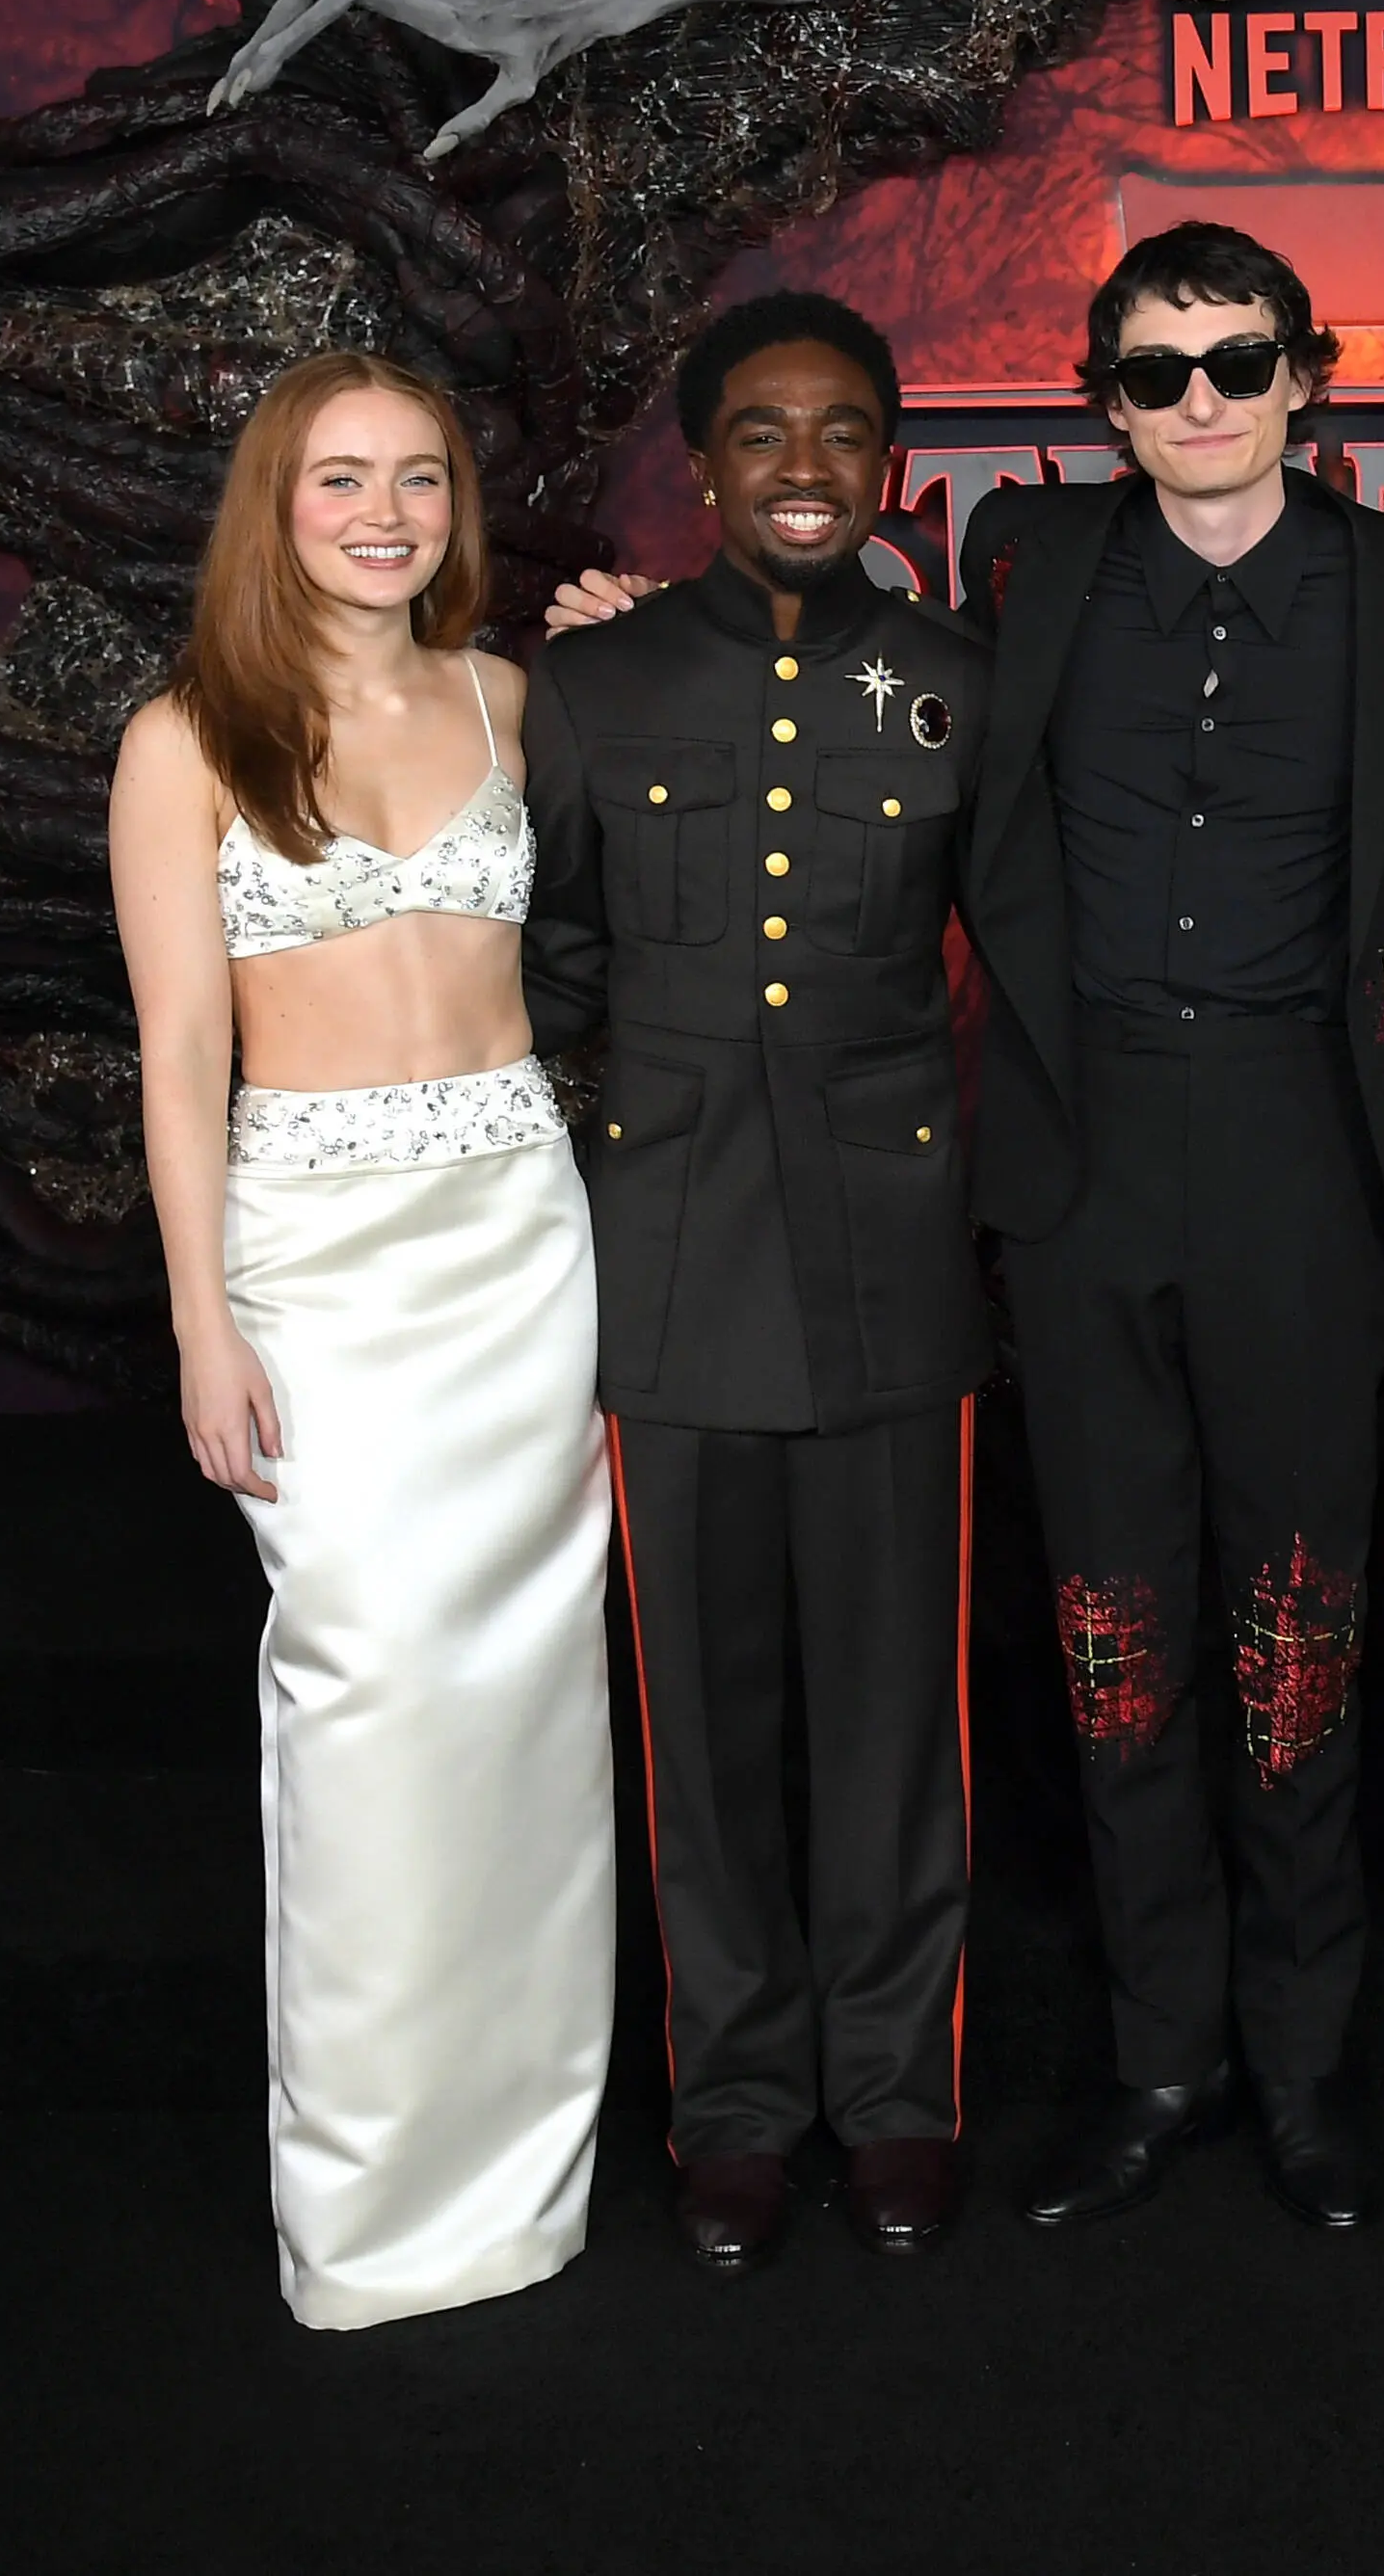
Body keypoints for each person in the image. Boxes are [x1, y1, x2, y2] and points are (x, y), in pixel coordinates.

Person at [950, 222, 1384, 2234]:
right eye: (1156, 374)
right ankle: (1156, 2060)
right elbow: (847, 671)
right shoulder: (1022, 563)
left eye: (1237, 362)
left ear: (1307, 377)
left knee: (1297, 1639)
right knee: (1115, 1646)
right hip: (1076, 1155)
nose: (1201, 402)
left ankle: (1299, 2072)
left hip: (1301, 1153)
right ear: (1102, 402)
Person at [108, 350, 613, 2331]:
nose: (385, 512)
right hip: (319, 1254)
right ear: (276, 505)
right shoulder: (191, 736)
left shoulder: (509, 699)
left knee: (529, 1707)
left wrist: (644, 633)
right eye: (340, 480)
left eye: (418, 475)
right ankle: (376, 2208)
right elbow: (175, 1060)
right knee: (373, 1694)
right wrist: (197, 1324)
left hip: (516, 1236)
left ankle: (524, 2181)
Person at [521, 292, 991, 2274]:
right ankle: (732, 2104)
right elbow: (535, 980)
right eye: (764, 435)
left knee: (895, 1715)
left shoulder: (971, 682)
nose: (808, 470)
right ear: (699, 466)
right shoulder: (591, 692)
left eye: (845, 434)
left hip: (895, 1262)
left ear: (890, 463)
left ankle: (893, 2097)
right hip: (675, 1258)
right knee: (699, 1732)